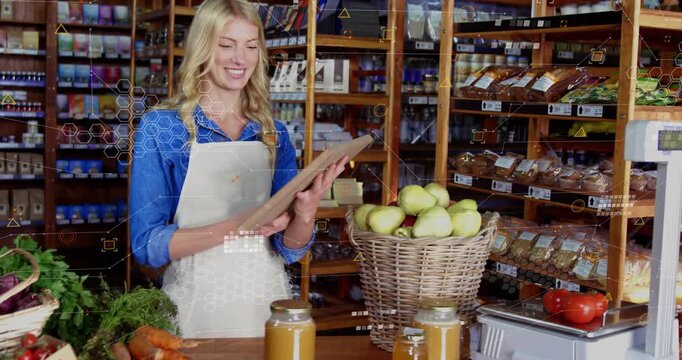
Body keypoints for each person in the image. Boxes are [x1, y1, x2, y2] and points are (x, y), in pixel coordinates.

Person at [129, 0, 348, 338]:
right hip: (193, 312)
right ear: (203, 48)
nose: (240, 59)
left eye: (250, 46)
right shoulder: (161, 128)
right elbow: (147, 244)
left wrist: (305, 213)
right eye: (226, 45)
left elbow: (290, 249)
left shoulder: (272, 132)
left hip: (265, 308)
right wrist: (239, 226)